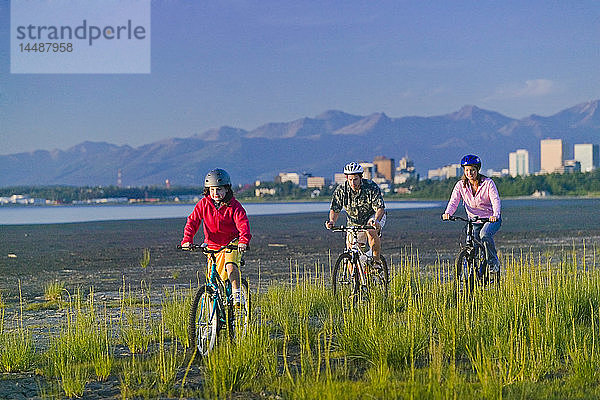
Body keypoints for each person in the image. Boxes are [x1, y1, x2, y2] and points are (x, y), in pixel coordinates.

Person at [181, 168, 251, 306]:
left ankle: (237, 294)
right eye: (212, 190)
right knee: (213, 279)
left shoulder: (234, 206)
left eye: (219, 189)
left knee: (230, 266)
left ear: (226, 189)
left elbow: (243, 224)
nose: (215, 193)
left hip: (232, 243)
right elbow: (193, 221)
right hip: (212, 245)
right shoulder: (203, 204)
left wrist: (243, 241)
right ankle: (215, 315)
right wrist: (187, 240)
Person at [442, 154, 502, 273]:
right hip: (473, 220)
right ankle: (468, 270)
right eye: (467, 170)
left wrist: (495, 215)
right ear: (464, 171)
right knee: (471, 242)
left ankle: (493, 263)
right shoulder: (460, 185)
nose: (470, 173)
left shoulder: (488, 183)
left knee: (484, 235)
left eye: (473, 170)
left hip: (490, 219)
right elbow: (454, 201)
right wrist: (448, 213)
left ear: (477, 170)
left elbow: (495, 200)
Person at [326, 162, 386, 264]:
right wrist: (332, 221)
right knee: (351, 254)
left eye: (355, 179)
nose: (353, 182)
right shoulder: (341, 190)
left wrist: (376, 221)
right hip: (354, 222)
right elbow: (335, 209)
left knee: (371, 231)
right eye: (350, 180)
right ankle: (355, 278)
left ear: (361, 177)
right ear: (346, 178)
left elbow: (380, 208)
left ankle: (376, 262)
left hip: (372, 216)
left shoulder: (371, 187)